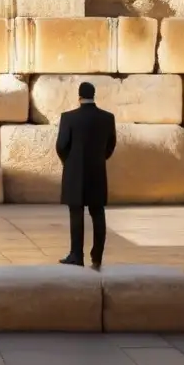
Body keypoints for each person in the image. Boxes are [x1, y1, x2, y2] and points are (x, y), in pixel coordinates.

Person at [54, 81, 117, 270]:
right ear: (94, 95)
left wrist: (69, 162)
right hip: (97, 171)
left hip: (75, 172)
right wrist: (99, 158)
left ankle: (76, 255)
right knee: (98, 213)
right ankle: (97, 256)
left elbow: (61, 145)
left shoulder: (68, 118)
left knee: (76, 213)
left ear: (79, 96)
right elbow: (110, 145)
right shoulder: (107, 118)